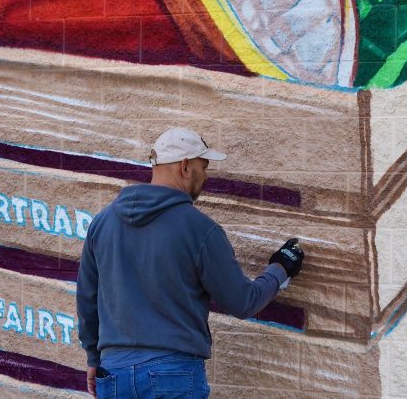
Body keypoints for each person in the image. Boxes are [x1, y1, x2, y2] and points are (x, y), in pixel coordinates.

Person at [77, 127, 304, 398]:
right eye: (203, 166)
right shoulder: (199, 230)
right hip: (173, 376)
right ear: (185, 166)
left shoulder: (102, 223)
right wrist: (280, 268)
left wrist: (93, 358)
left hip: (114, 375)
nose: (206, 176)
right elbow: (243, 302)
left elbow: (87, 299)